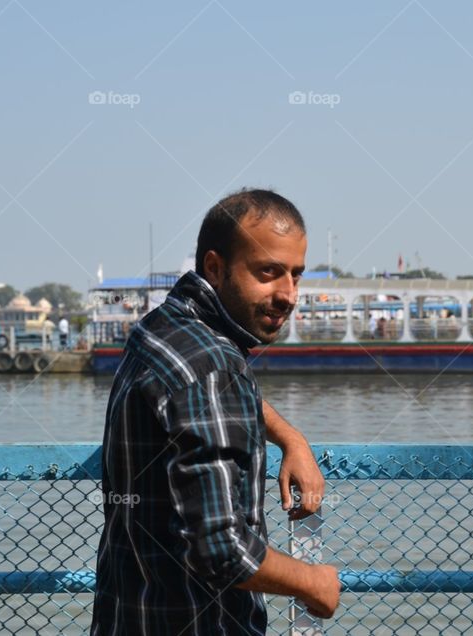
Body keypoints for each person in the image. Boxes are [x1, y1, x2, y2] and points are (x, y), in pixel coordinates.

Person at [91, 189, 340, 635]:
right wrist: (313, 582)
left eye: (296, 275)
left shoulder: (162, 329)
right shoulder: (214, 369)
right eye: (268, 272)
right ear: (215, 267)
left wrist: (290, 437)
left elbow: (200, 399)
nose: (288, 295)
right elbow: (220, 548)